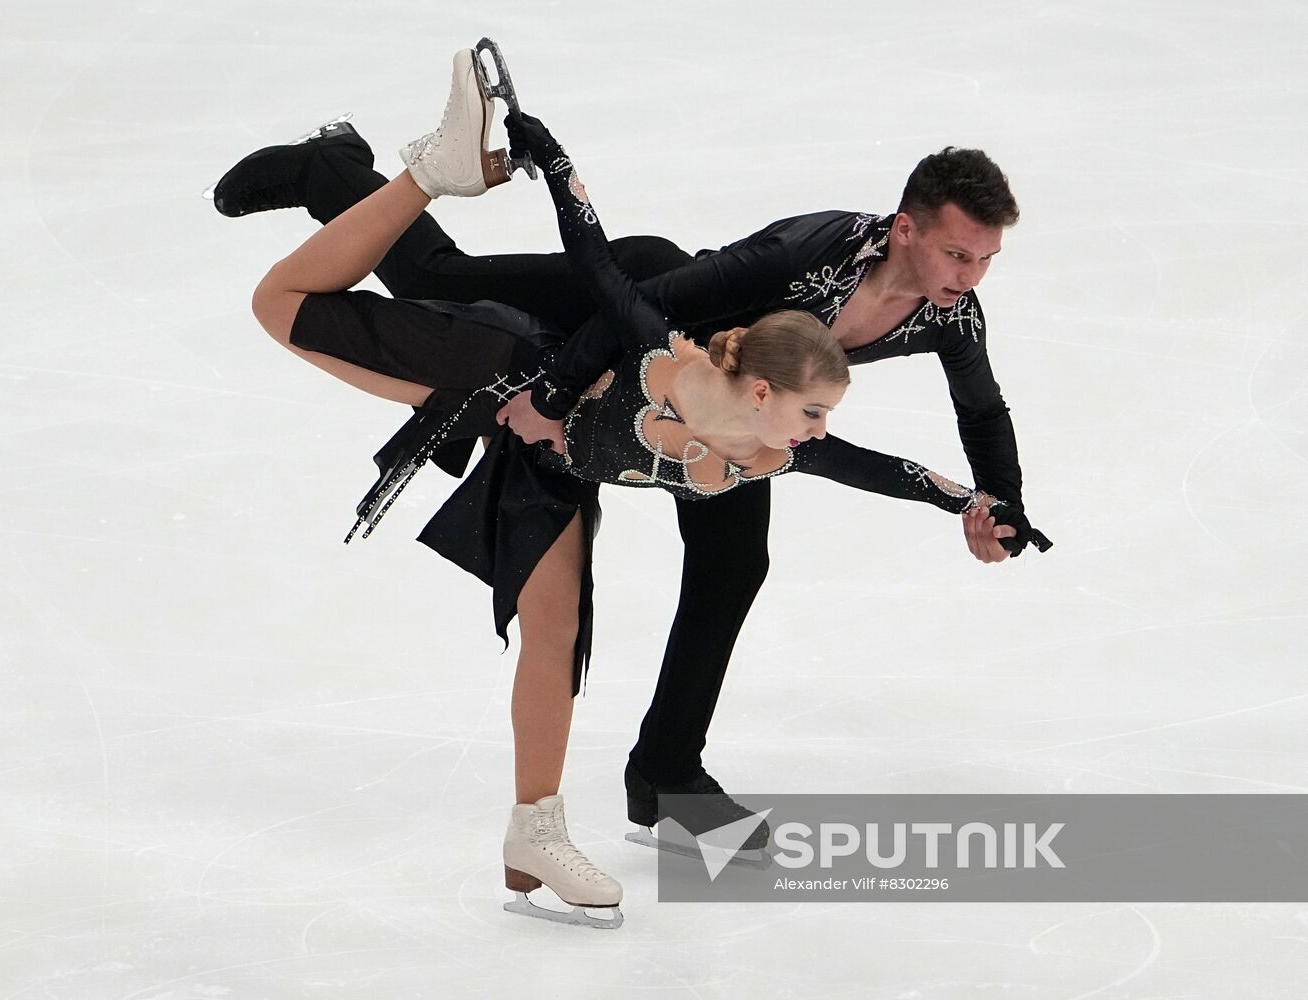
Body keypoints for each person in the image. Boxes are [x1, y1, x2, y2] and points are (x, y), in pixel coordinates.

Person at [228, 52, 1049, 925]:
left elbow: (978, 406)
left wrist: (995, 498)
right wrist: (552, 394)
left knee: (735, 563)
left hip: (731, 418)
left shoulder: (947, 314)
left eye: (986, 258)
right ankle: (336, 171)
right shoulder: (816, 248)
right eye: (959, 251)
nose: (971, 274)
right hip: (645, 324)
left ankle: (666, 774)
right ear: (905, 230)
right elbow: (638, 299)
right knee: (443, 281)